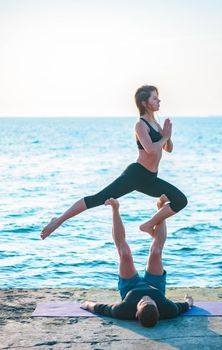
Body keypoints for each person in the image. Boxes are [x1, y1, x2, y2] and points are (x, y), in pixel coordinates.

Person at [41, 85, 187, 239]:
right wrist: (164, 137)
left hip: (150, 178)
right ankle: (57, 222)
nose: (159, 100)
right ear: (145, 103)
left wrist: (167, 136)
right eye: (154, 98)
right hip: (136, 175)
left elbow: (168, 149)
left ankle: (148, 225)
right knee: (97, 198)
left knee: (180, 201)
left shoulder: (156, 124)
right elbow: (150, 149)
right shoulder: (140, 125)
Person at [81, 196, 193, 327]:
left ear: (136, 313)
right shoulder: (169, 309)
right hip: (155, 285)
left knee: (124, 253)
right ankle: (161, 209)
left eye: (143, 302)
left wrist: (86, 304)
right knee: (156, 252)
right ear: (158, 308)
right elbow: (186, 305)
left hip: (130, 286)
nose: (146, 298)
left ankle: (115, 208)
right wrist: (189, 302)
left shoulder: (122, 310)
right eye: (150, 301)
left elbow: (99, 308)